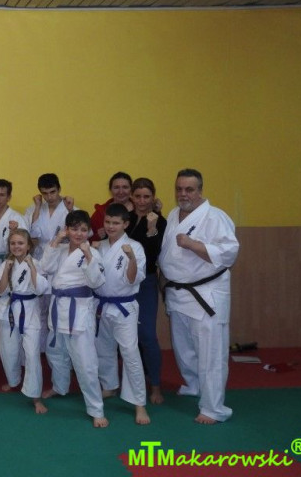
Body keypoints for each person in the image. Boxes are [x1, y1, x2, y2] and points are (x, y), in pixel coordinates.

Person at [158, 168, 239, 424]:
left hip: (205, 294)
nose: (183, 194)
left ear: (200, 190)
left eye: (189, 189)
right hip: (178, 292)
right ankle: (194, 384)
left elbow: (229, 253)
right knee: (184, 348)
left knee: (210, 353)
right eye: (179, 189)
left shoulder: (215, 217)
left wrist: (193, 245)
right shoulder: (173, 214)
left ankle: (213, 408)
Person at [40, 210, 108, 428]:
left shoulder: (92, 253)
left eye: (83, 229)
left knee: (85, 362)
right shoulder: (59, 249)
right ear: (67, 230)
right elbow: (45, 267)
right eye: (74, 229)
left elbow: (97, 282)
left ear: (89, 231)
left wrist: (88, 256)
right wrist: (55, 241)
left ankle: (96, 409)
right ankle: (60, 387)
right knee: (55, 352)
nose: (79, 233)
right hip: (58, 308)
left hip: (78, 312)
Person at [93, 203, 149, 425]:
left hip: (124, 307)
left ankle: (139, 403)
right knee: (103, 349)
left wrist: (132, 259)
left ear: (125, 224)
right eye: (107, 222)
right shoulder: (99, 246)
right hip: (101, 305)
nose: (110, 226)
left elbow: (133, 279)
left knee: (130, 352)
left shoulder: (135, 247)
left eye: (115, 223)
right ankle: (109, 386)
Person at [0, 229, 50, 413]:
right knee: (8, 350)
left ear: (28, 246)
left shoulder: (37, 264)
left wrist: (32, 267)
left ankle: (35, 396)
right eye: (13, 243)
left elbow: (40, 289)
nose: (16, 246)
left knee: (32, 354)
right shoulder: (5, 264)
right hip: (9, 309)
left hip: (30, 310)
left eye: (20, 243)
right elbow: (0, 290)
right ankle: (14, 380)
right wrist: (7, 269)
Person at [22, 173, 76, 355]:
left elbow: (81, 232)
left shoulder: (70, 207)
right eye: (45, 193)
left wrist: (70, 211)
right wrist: (38, 207)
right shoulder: (34, 209)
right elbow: (31, 235)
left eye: (52, 192)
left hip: (62, 260)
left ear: (59, 189)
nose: (49, 197)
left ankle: (60, 351)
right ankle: (42, 351)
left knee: (59, 308)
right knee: (40, 310)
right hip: (40, 259)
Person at [127, 177, 167, 404]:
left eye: (146, 196)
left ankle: (156, 385)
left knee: (147, 335)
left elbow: (154, 255)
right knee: (124, 336)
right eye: (138, 196)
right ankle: (127, 382)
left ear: (153, 197)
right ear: (132, 197)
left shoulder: (160, 222)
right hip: (123, 284)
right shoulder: (126, 218)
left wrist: (152, 229)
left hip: (146, 282)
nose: (142, 201)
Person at [90, 172, 133, 242]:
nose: (121, 191)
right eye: (116, 187)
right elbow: (87, 238)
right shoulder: (100, 213)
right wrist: (98, 236)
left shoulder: (139, 211)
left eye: (125, 187)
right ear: (110, 190)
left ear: (131, 189)